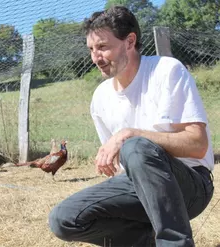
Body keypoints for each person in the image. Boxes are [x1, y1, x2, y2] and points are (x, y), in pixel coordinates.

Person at [48, 6, 214, 247]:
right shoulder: (100, 98)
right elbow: (120, 169)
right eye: (92, 50)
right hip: (138, 188)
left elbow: (198, 145)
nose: (96, 58)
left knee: (135, 146)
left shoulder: (166, 71)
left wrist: (130, 134)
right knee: (63, 219)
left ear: (129, 42)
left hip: (190, 186)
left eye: (103, 47)